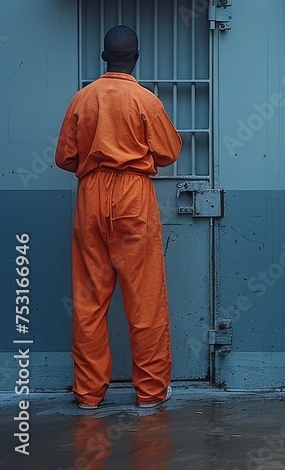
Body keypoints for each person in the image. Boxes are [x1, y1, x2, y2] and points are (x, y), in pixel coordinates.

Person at [55, 25, 181, 409]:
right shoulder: (146, 100)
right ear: (136, 57)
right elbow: (168, 152)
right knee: (145, 298)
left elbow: (64, 158)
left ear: (104, 57)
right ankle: (150, 393)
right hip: (133, 193)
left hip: (90, 193)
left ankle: (89, 394)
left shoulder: (83, 98)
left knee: (90, 299)